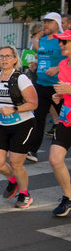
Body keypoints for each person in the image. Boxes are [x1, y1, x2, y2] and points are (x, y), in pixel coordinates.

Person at [0, 46, 38, 209]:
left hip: (22, 125)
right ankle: (13, 181)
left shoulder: (21, 79)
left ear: (15, 59)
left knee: (16, 163)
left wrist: (14, 109)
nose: (4, 59)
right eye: (1, 56)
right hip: (1, 124)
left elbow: (34, 103)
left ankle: (24, 194)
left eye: (8, 56)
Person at [26, 12, 64, 163]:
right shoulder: (42, 40)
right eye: (44, 22)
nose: (45, 25)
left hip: (59, 87)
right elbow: (42, 58)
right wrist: (35, 65)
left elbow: (68, 59)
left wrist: (57, 68)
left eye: (49, 22)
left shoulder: (63, 40)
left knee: (66, 119)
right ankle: (32, 151)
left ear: (57, 24)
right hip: (41, 85)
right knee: (38, 118)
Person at [49, 30, 71, 216]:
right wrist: (60, 95)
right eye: (60, 42)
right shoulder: (63, 64)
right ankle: (68, 197)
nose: (61, 46)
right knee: (55, 160)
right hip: (66, 118)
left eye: (65, 42)